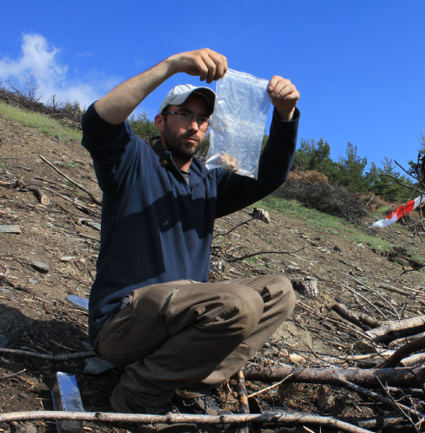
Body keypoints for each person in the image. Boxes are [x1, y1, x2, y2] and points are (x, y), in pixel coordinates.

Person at [80, 48, 300, 426]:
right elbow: (99, 122)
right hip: (124, 323)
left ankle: (187, 378)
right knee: (241, 303)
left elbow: (271, 175)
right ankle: (139, 391)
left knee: (280, 292)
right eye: (184, 114)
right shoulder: (131, 161)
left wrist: (284, 116)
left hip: (180, 319)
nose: (195, 126)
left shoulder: (207, 181)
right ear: (161, 119)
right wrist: (172, 66)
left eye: (203, 119)